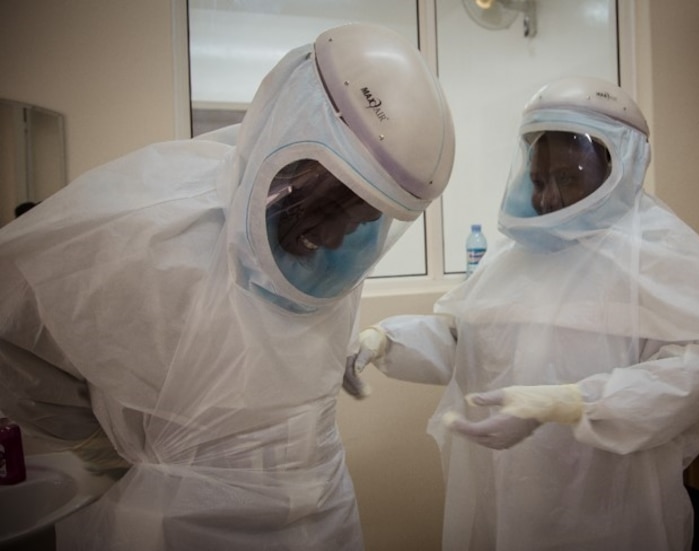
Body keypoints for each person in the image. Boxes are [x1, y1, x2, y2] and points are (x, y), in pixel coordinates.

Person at [0, 23, 454, 550]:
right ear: (289, 150)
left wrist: (337, 362)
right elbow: (13, 330)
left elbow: (278, 345)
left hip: (323, 513)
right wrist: (91, 442)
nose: (333, 237)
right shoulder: (145, 232)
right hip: (176, 528)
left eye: (360, 222)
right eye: (329, 208)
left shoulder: (331, 254)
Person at [345, 76, 699, 550]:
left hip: (610, 505)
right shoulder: (516, 257)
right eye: (539, 179)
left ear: (619, 167)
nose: (548, 197)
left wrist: (573, 402)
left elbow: (688, 378)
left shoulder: (657, 256)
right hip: (506, 498)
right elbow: (464, 343)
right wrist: (385, 339)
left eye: (567, 178)